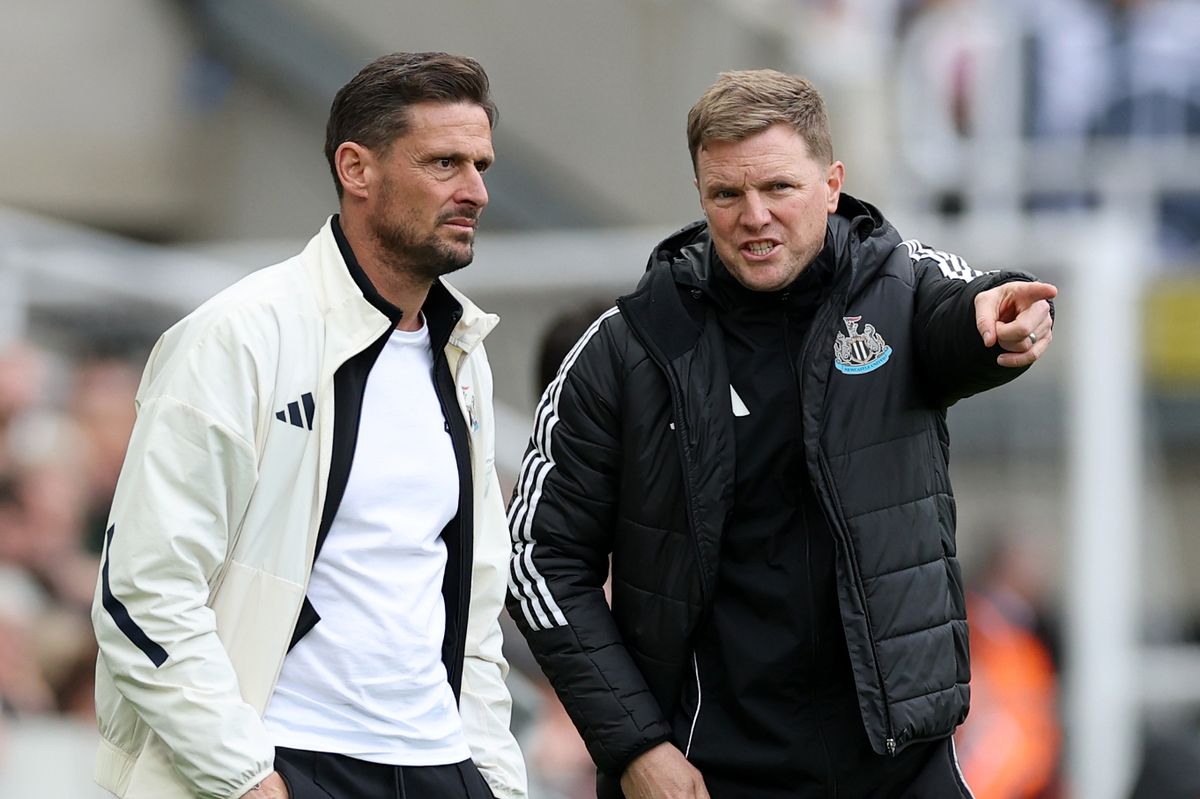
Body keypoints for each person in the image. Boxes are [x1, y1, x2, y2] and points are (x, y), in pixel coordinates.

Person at [506, 69, 1056, 799]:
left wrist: (1003, 316)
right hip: (709, 777)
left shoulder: (899, 289)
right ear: (701, 195)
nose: (753, 216)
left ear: (832, 184)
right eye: (726, 195)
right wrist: (637, 747)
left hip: (900, 769)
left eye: (779, 189)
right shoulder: (627, 349)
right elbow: (537, 557)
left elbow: (965, 310)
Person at [91, 52, 526, 799]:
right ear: (357, 169)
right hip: (289, 761)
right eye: (445, 162)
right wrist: (245, 775)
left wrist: (493, 773)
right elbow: (143, 589)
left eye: (481, 163)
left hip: (441, 765)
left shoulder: (465, 356)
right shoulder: (239, 335)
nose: (476, 191)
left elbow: (478, 605)